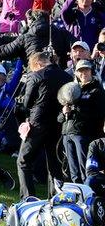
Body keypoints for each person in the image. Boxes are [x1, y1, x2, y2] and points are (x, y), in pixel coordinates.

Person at [16, 52, 73, 198]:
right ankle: (57, 197)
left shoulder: (36, 75)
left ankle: (28, 198)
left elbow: (27, 102)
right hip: (58, 123)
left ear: (37, 64)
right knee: (54, 163)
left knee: (23, 160)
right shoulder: (66, 76)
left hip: (38, 122)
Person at [59, 60, 105, 184]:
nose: (83, 73)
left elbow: (99, 114)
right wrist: (64, 112)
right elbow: (59, 118)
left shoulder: (97, 90)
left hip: (85, 134)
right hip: (67, 133)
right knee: (73, 170)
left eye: (86, 70)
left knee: (85, 169)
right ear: (76, 74)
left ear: (91, 71)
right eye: (80, 70)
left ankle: (90, 196)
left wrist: (76, 107)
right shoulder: (72, 90)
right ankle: (78, 196)